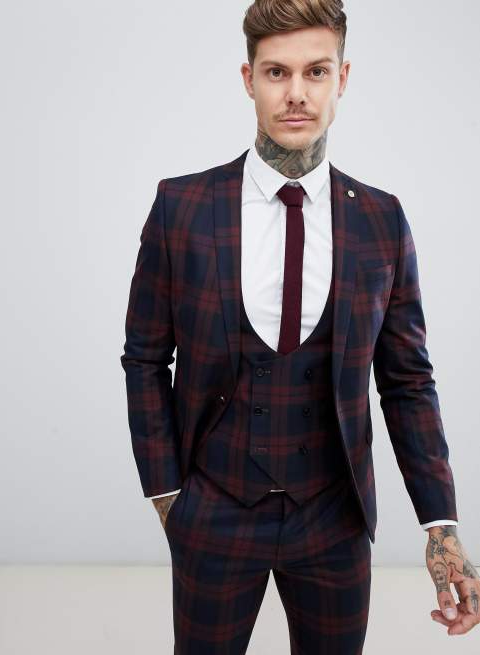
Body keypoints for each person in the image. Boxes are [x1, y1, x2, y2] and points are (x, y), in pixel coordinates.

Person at [120, 1, 479, 651]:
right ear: (248, 79)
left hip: (334, 521)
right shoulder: (182, 207)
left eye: (315, 71)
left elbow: (407, 382)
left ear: (342, 78)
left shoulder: (381, 219)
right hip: (213, 513)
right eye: (275, 72)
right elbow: (144, 357)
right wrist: (169, 494)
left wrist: (441, 525)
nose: (295, 94)